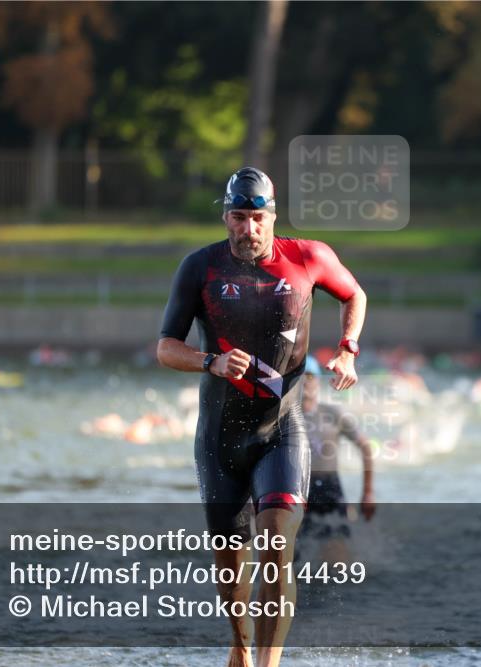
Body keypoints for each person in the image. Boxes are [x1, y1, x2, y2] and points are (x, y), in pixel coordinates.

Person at [156, 167, 367, 667]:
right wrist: (209, 361)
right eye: (238, 217)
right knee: (232, 565)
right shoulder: (200, 267)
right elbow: (166, 347)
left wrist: (348, 349)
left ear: (272, 217)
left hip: (282, 431)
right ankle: (241, 643)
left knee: (276, 545)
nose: (248, 229)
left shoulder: (308, 257)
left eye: (257, 219)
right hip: (220, 438)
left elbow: (353, 293)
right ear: (225, 217)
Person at [300, 355, 376, 545]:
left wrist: (368, 492)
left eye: (309, 376)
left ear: (318, 380)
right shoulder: (283, 416)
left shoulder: (332, 413)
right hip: (296, 489)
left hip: (329, 487)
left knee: (337, 552)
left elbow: (366, 447)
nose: (305, 382)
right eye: (299, 376)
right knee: (293, 553)